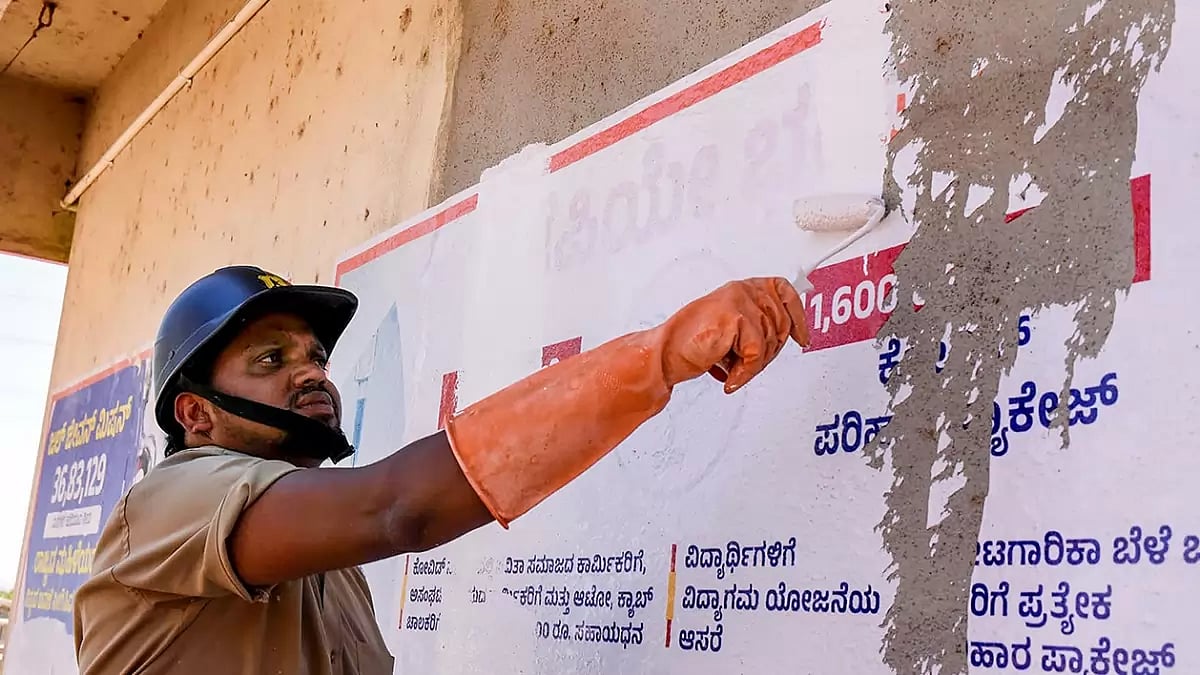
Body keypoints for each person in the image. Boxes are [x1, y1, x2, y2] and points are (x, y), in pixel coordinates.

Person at [72, 264, 810, 674]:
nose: (312, 374)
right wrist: (660, 354)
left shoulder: (326, 572)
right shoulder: (172, 501)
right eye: (272, 360)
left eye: (316, 356)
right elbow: (400, 507)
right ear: (196, 416)